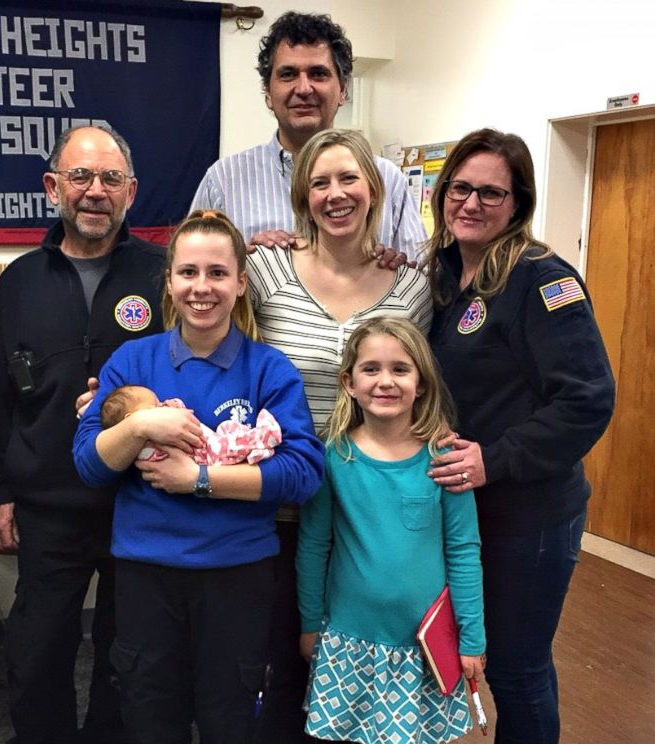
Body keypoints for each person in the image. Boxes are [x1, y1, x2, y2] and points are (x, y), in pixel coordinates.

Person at [72, 209, 324, 744]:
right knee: (148, 718)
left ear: (240, 283)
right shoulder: (131, 363)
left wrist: (199, 478)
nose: (201, 287)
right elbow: (91, 465)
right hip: (146, 576)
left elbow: (302, 474)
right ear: (169, 281)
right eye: (188, 272)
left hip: (236, 577)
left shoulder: (268, 369)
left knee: (230, 719)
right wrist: (142, 423)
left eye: (216, 273)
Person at [426, 128, 616, 743]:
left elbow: (588, 399)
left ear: (518, 204)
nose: (471, 203)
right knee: (489, 660)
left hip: (528, 516)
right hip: (467, 513)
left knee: (517, 668)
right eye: (461, 188)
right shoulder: (447, 273)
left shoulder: (539, 278)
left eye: (491, 193)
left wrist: (496, 459)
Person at [243, 126, 432, 742]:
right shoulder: (265, 269)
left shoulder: (412, 288)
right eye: (319, 182)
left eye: (349, 178)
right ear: (302, 198)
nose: (335, 193)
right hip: (283, 512)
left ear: (375, 191)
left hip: (369, 516)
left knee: (364, 684)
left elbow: (420, 389)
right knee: (282, 670)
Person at [0, 124, 164, 744]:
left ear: (132, 192)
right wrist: (0, 489)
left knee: (130, 657)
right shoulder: (18, 280)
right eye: (80, 177)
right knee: (37, 654)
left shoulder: (165, 276)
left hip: (140, 502)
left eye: (110, 179)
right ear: (52, 186)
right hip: (47, 505)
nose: (95, 192)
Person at [298, 317, 485, 743]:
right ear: (348, 381)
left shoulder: (444, 458)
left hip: (422, 649)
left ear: (421, 383)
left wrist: (472, 638)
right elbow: (313, 545)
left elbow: (463, 550)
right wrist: (310, 622)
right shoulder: (333, 457)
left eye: (400, 369)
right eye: (371, 369)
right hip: (348, 643)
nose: (386, 381)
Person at [190, 11, 426, 260]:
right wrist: (243, 261)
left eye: (318, 74)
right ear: (268, 92)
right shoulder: (223, 183)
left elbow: (420, 281)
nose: (303, 88)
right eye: (288, 74)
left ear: (343, 89)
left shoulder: (388, 181)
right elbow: (191, 276)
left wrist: (394, 271)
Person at [101, 384, 283, 465]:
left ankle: (255, 444)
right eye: (154, 406)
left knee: (228, 428)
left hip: (209, 440)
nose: (161, 405)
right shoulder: (144, 449)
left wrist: (172, 407)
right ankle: (264, 438)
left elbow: (184, 415)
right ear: (131, 419)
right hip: (206, 455)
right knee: (229, 447)